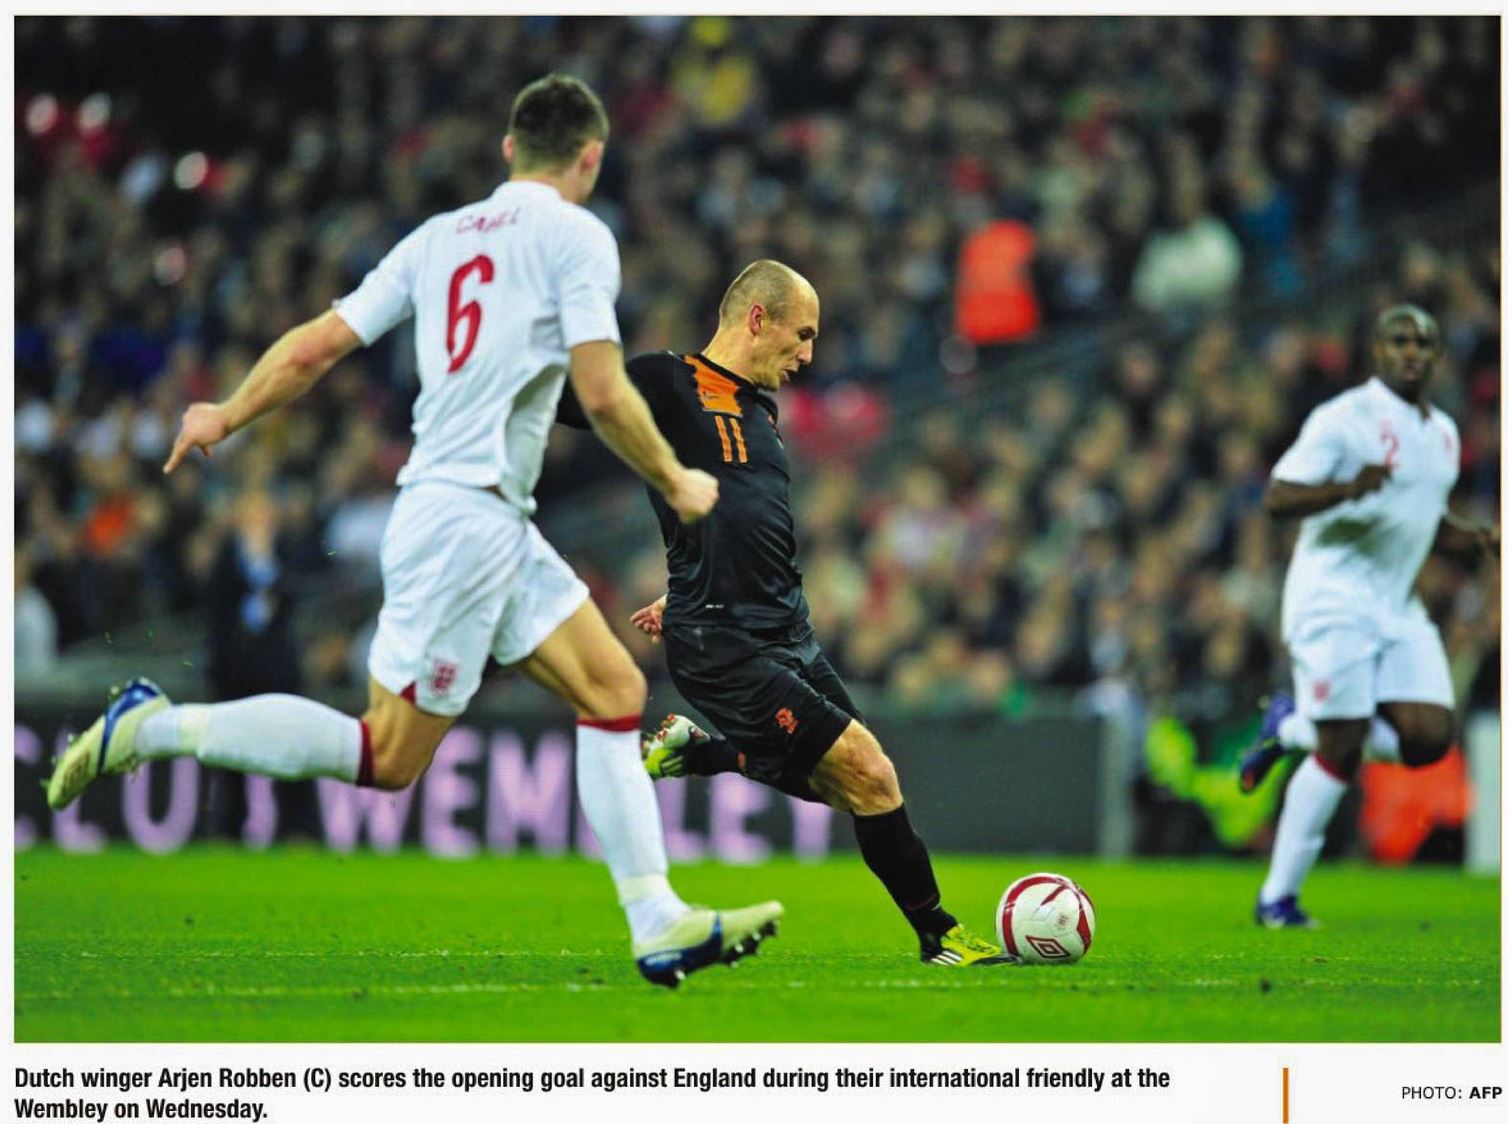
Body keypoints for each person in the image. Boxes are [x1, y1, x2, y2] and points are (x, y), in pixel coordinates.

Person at [46, 74, 781, 988]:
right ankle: (155, 728)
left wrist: (226, 412)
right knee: (385, 755)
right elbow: (600, 391)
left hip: (481, 517)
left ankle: (656, 921)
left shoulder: (438, 239)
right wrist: (673, 476)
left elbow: (317, 344)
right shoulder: (578, 236)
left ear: (509, 149)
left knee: (611, 687)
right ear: (590, 158)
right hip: (464, 522)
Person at [558, 260, 1015, 967]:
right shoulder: (669, 382)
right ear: (756, 318)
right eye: (802, 335)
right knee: (869, 771)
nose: (808, 355)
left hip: (785, 629)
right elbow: (574, 399)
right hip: (723, 640)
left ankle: (703, 754)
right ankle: (941, 936)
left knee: (858, 786)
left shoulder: (760, 414)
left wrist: (691, 577)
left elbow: (736, 520)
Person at [1239, 304, 1498, 928]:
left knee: (1430, 738)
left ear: (1437, 357)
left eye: (1423, 343)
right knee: (1342, 747)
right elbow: (1277, 496)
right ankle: (1278, 899)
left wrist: (1473, 538)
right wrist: (1345, 489)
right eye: (1399, 340)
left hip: (1396, 604)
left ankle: (1291, 725)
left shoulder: (1442, 434)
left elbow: (1422, 519)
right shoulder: (1343, 419)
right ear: (1377, 351)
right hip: (1333, 596)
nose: (1412, 351)